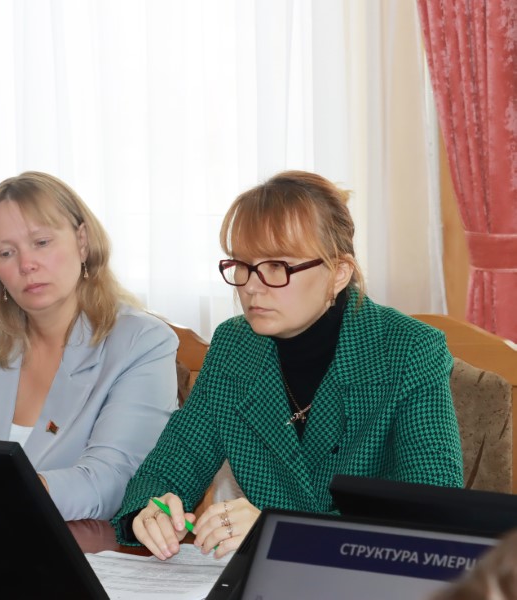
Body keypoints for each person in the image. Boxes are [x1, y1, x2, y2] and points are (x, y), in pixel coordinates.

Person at [112, 170, 464, 559]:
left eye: (277, 266)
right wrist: (151, 511)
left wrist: (281, 531)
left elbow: (431, 510)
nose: (250, 285)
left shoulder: (409, 349)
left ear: (338, 273)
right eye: (242, 264)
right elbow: (169, 467)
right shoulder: (235, 346)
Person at [0, 171, 178, 521]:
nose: (26, 265)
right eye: (6, 252)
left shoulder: (141, 343)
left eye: (41, 242)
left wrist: (0, 492)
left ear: (82, 242)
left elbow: (113, 482)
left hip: (75, 543)